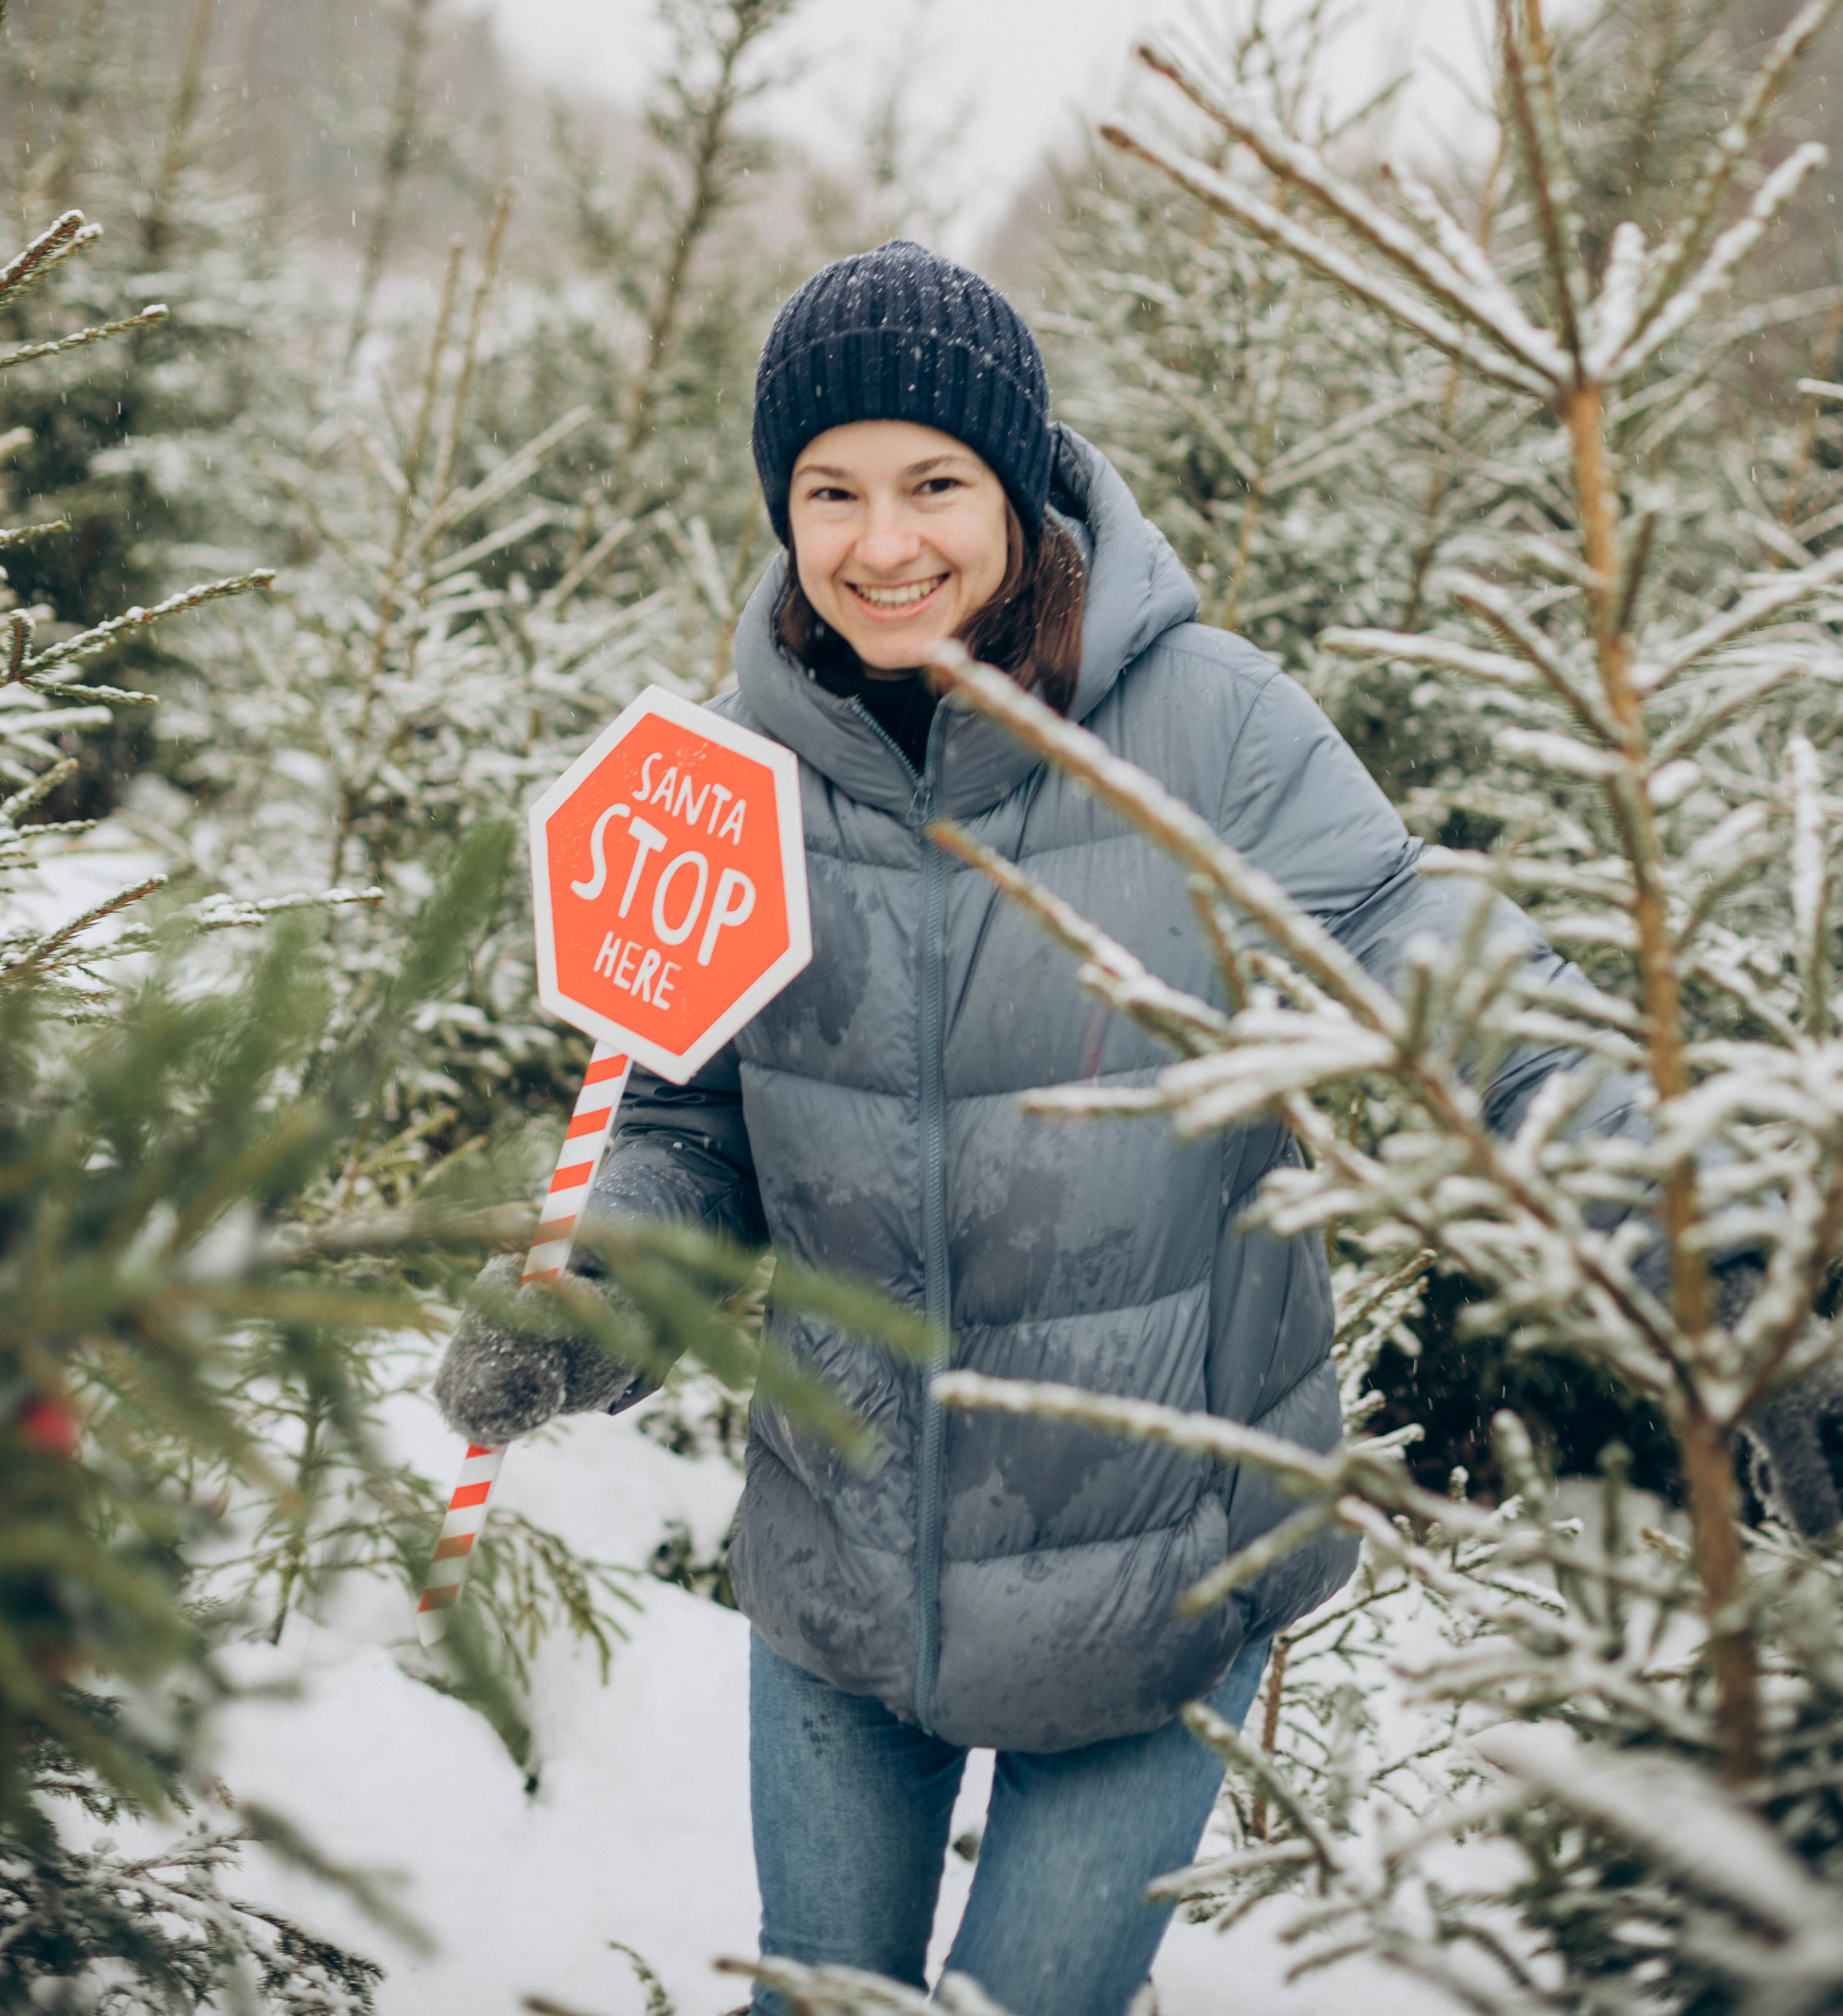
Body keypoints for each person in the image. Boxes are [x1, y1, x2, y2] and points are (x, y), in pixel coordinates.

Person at [434, 241, 1839, 2015]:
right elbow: (689, 1125)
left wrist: (1718, 1269)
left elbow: (1456, 993)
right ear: (779, 512)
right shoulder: (732, 780)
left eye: (934, 482)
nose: (885, 543)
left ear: (1018, 487)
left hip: (1158, 1580)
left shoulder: (1210, 730)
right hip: (842, 1580)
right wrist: (593, 1295)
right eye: (830, 492)